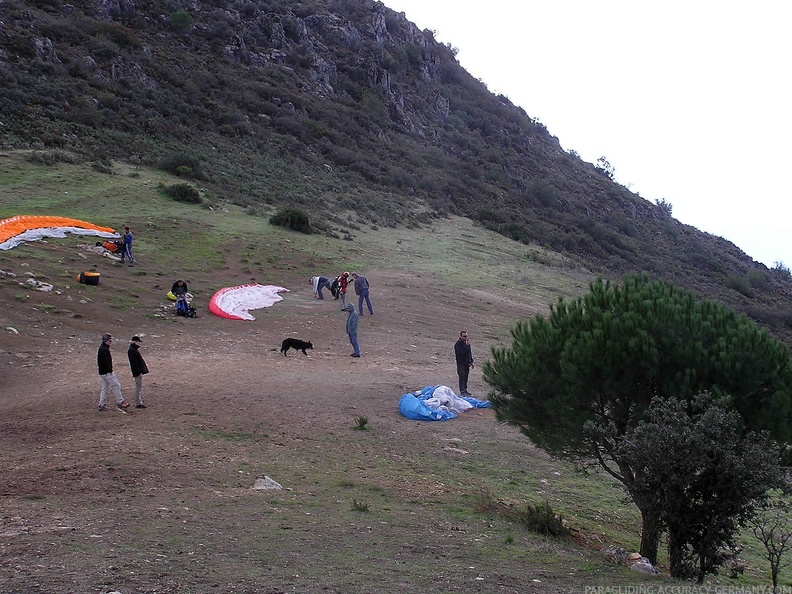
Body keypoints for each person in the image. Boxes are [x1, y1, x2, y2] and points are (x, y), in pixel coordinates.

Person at [97, 333, 130, 412]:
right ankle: (120, 402)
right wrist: (109, 370)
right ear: (106, 341)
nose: (111, 342)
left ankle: (102, 404)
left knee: (105, 388)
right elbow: (106, 362)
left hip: (103, 372)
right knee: (116, 385)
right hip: (107, 372)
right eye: (110, 340)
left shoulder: (102, 348)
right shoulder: (104, 350)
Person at [127, 336, 149, 409]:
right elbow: (134, 363)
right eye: (138, 342)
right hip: (137, 372)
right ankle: (138, 402)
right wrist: (138, 372)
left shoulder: (133, 350)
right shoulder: (132, 351)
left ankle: (138, 402)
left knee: (138, 386)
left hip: (137, 371)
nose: (139, 343)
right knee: (138, 386)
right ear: (134, 342)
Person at [454, 330, 474, 396]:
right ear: (461, 336)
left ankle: (465, 389)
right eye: (464, 336)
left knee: (466, 376)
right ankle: (462, 390)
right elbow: (460, 353)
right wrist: (466, 346)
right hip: (460, 363)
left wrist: (471, 362)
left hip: (466, 364)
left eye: (466, 336)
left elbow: (469, 353)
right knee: (462, 376)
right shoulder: (458, 344)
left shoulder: (467, 344)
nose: (466, 338)